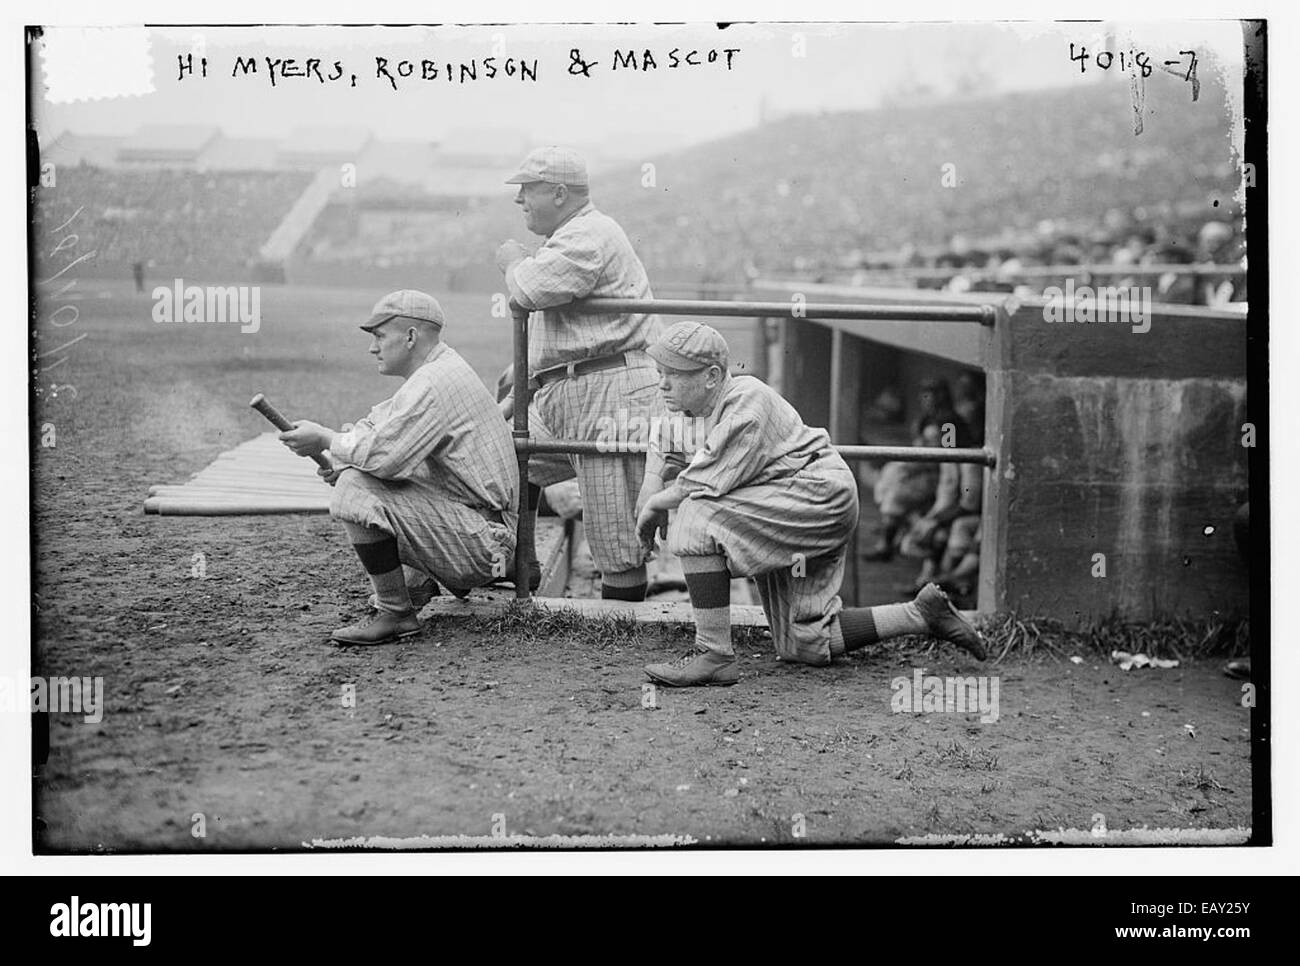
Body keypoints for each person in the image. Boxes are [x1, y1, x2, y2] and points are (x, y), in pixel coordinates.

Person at [634, 322, 987, 687]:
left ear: (711, 376)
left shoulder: (746, 399)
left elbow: (701, 485)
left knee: (696, 514)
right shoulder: (695, 408)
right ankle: (920, 614)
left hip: (817, 494)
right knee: (804, 642)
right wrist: (651, 482)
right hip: (791, 499)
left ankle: (714, 654)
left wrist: (655, 504)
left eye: (674, 374)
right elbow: (662, 438)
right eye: (661, 373)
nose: (663, 383)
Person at [278, 290, 518, 646]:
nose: (372, 348)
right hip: (481, 528)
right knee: (358, 476)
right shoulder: (440, 369)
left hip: (486, 543)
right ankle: (418, 585)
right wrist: (341, 458)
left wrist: (328, 441)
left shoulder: (434, 382)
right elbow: (378, 430)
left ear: (410, 337)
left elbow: (384, 458)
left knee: (354, 490)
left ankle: (397, 614)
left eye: (379, 336)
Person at [495, 145, 664, 601]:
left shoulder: (590, 231)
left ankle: (624, 634)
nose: (519, 200)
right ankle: (522, 558)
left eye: (527, 189)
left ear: (560, 192)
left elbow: (528, 288)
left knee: (615, 540)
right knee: (507, 457)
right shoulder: (572, 235)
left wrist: (513, 260)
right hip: (576, 387)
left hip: (609, 390)